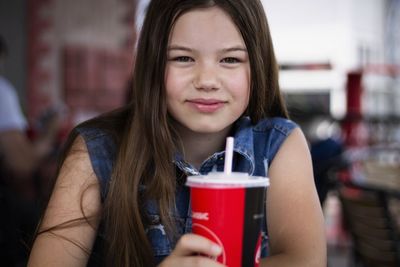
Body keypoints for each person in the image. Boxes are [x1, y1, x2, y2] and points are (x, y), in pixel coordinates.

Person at [28, 0, 326, 266]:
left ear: (258, 66)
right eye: (183, 58)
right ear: (153, 65)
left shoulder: (277, 144)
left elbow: (307, 260)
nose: (207, 80)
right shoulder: (96, 150)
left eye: (230, 59)